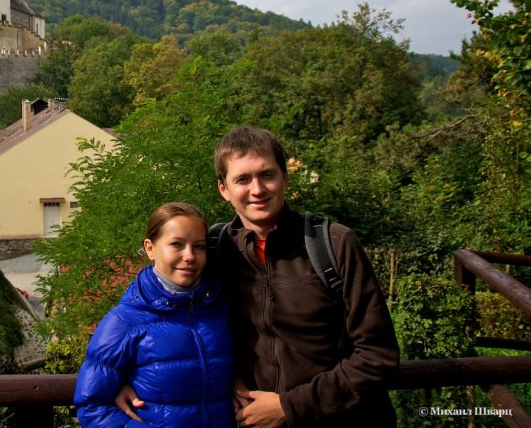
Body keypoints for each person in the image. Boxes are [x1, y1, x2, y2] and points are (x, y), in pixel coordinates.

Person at [117, 126, 399, 428]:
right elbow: (151, 311)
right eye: (242, 179)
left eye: (267, 175)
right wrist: (118, 376)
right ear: (223, 189)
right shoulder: (214, 250)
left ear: (284, 178)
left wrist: (289, 407)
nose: (257, 189)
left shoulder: (333, 244)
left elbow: (377, 356)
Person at [74, 202, 234, 428]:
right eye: (176, 244)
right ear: (150, 248)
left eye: (199, 246)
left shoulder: (220, 309)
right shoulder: (124, 321)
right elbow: (92, 405)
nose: (189, 256)